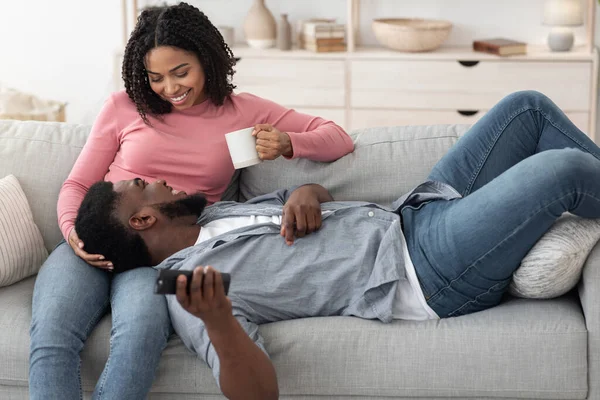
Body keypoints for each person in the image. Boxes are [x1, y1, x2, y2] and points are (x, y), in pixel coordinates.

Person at [73, 90, 600, 400]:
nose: (156, 179)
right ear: (142, 220)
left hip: (413, 210)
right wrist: (217, 320)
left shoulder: (218, 212)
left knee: (524, 109)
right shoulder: (192, 286)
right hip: (425, 267)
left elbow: (314, 193)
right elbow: (257, 394)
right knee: (565, 171)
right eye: (143, 185)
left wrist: (305, 191)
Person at [28, 2, 354, 399]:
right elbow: (77, 183)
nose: (170, 89)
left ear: (207, 59)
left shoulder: (241, 111)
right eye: (156, 78)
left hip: (164, 258)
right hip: (90, 241)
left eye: (181, 72)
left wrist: (289, 143)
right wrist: (72, 234)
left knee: (139, 336)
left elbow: (337, 136)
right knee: (51, 338)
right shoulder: (122, 107)